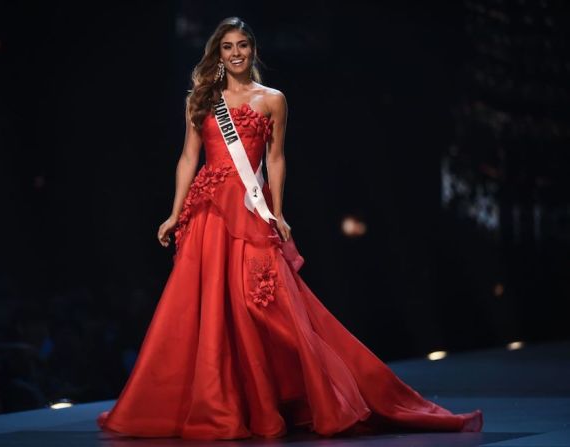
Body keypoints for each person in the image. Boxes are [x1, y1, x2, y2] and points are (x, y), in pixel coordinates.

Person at [97, 16, 483, 440]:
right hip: (207, 214)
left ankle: (315, 393)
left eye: (243, 44)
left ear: (253, 49)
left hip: (251, 210)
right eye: (228, 47)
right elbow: (189, 158)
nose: (236, 53)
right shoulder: (202, 100)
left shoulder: (273, 100)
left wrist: (278, 212)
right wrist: (174, 213)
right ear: (218, 54)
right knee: (208, 312)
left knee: (263, 306)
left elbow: (277, 159)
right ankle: (224, 403)